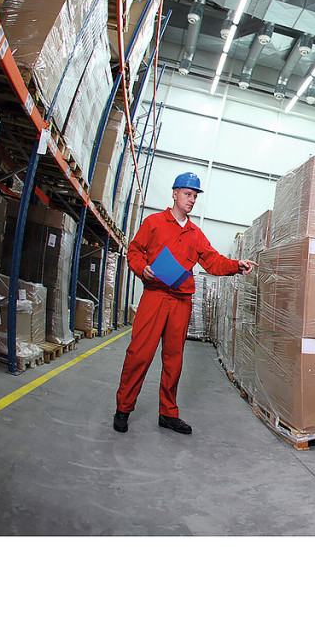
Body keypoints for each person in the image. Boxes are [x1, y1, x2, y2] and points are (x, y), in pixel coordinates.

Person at [113, 172, 257, 435]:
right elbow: (134, 251)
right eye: (187, 194)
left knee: (174, 359)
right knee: (139, 354)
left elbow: (213, 261)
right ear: (175, 193)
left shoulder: (195, 234)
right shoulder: (154, 223)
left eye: (194, 196)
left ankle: (167, 414)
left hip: (181, 301)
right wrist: (142, 268)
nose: (191, 199)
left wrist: (237, 265)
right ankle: (123, 409)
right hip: (155, 296)